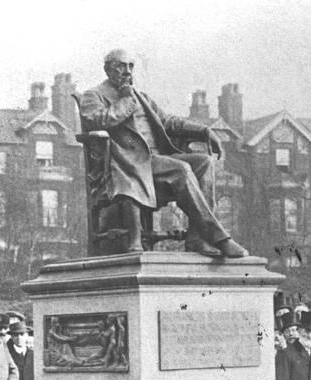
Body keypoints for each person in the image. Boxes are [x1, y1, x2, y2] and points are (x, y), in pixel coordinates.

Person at [78, 49, 248, 257]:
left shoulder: (141, 97)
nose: (127, 71)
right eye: (121, 66)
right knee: (181, 169)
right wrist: (126, 100)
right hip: (128, 162)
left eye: (131, 66)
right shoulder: (94, 95)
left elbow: (167, 122)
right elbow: (98, 121)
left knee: (204, 162)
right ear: (107, 69)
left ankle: (197, 237)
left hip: (156, 160)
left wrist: (204, 131)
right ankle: (219, 237)